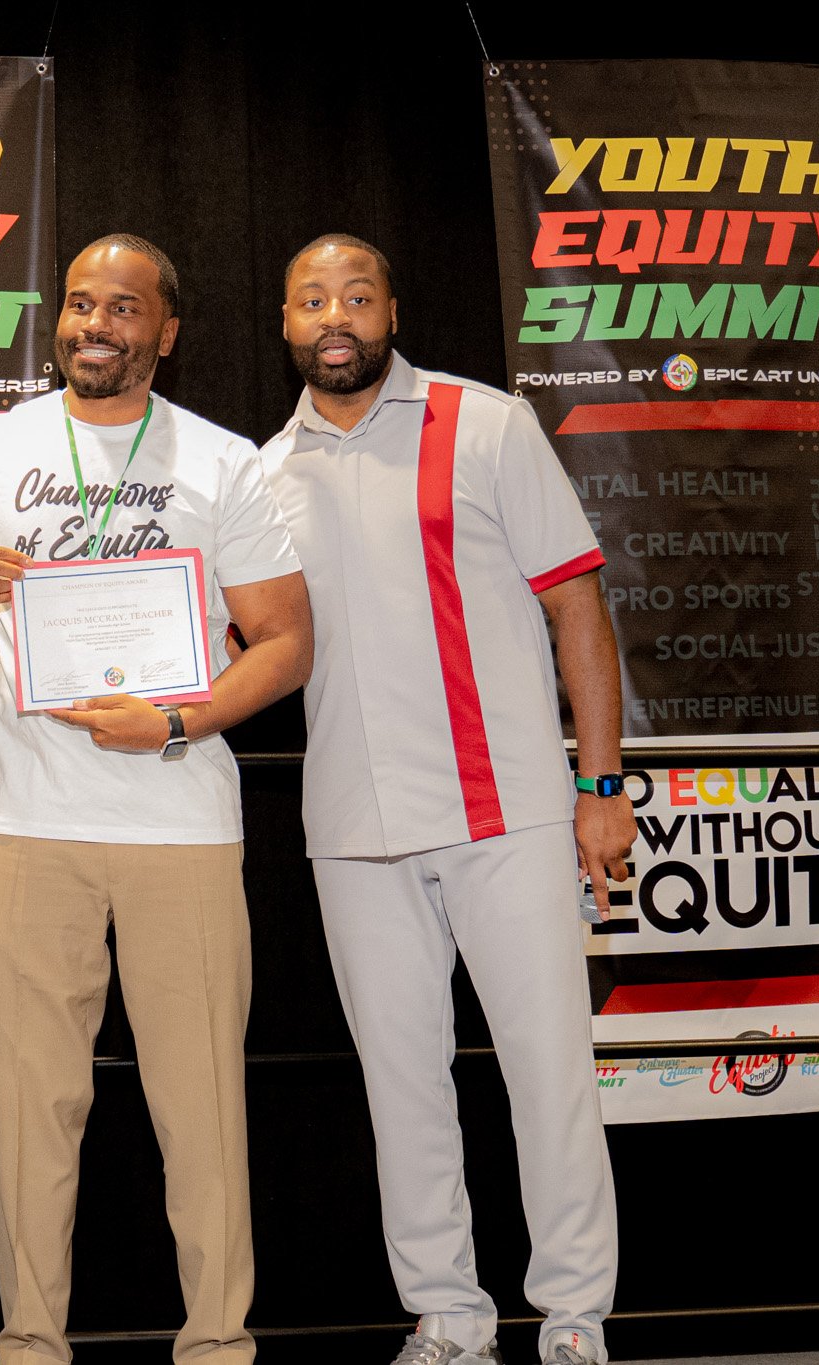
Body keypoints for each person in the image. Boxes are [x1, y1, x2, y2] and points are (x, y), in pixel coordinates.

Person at [0, 234, 313, 1365]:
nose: (94, 325)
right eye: (80, 304)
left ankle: (218, 1345)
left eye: (121, 309)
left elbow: (283, 643)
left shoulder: (223, 462)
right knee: (36, 1112)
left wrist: (176, 720)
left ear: (163, 332)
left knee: (202, 1112)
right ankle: (30, 1344)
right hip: (27, 827)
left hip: (179, 822)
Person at [259, 234, 632, 1365]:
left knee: (547, 1071)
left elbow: (575, 607)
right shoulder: (257, 474)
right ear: (281, 323)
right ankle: (448, 1315)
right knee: (400, 1087)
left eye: (356, 295)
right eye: (311, 298)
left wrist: (599, 786)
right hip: (350, 829)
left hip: (507, 810)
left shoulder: (487, 423)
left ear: (388, 308)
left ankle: (571, 1316)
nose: (336, 316)